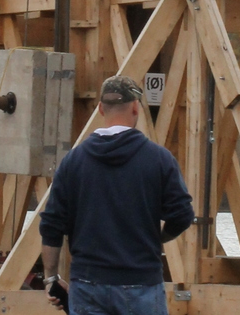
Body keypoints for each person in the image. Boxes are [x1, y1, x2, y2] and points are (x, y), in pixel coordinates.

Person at [39, 75, 194, 315]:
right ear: (135, 107)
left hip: (87, 283)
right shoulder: (159, 159)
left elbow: (51, 225)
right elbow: (182, 215)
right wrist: (158, 238)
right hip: (141, 282)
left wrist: (51, 278)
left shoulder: (73, 161)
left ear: (101, 108)